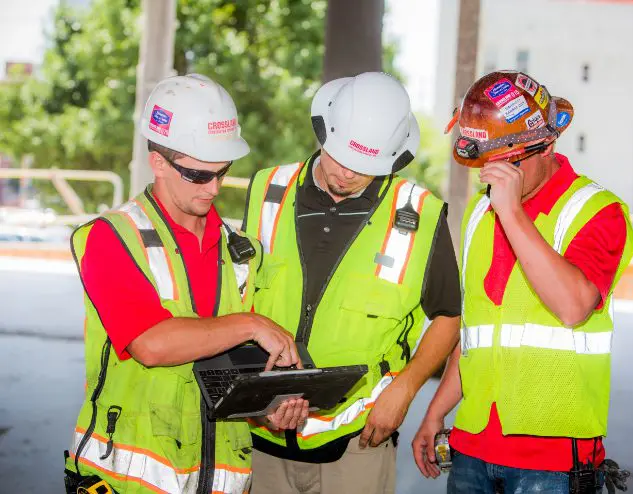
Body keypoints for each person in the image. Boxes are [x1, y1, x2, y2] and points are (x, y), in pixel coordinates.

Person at [63, 74, 308, 494]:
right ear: (158, 161)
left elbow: (232, 373)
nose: (213, 188)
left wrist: (268, 408)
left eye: (222, 172)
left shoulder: (242, 253)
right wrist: (249, 324)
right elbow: (151, 344)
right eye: (198, 175)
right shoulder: (112, 238)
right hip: (127, 485)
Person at [412, 70, 633, 494]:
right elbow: (477, 333)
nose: (491, 173)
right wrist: (436, 411)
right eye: (484, 161)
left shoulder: (597, 211)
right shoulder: (481, 213)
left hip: (551, 463)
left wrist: (512, 214)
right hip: (471, 451)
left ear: (547, 143)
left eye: (506, 159)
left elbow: (573, 306)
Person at [241, 71, 461, 494]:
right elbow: (235, 300)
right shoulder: (266, 190)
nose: (346, 175)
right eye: (339, 158)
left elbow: (448, 317)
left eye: (364, 168)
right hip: (260, 431)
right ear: (323, 132)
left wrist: (405, 390)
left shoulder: (420, 215)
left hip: (359, 436)